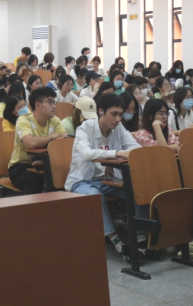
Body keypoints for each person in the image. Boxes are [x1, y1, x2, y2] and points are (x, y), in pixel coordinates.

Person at [65, 93, 146, 262]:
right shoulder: (84, 128)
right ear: (101, 111)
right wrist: (115, 154)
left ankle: (141, 239)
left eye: (120, 114)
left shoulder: (119, 128)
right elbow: (88, 154)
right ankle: (117, 242)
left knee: (138, 190)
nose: (118, 119)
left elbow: (136, 149)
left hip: (108, 180)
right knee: (96, 197)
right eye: (114, 114)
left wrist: (112, 158)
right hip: (83, 181)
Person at [9, 87, 68, 194]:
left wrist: (45, 141)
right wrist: (51, 137)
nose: (54, 106)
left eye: (54, 102)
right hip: (21, 165)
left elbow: (65, 141)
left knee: (63, 177)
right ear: (38, 105)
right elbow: (31, 143)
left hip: (47, 162)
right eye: (50, 102)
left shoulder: (54, 120)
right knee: (35, 182)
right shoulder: (24, 120)